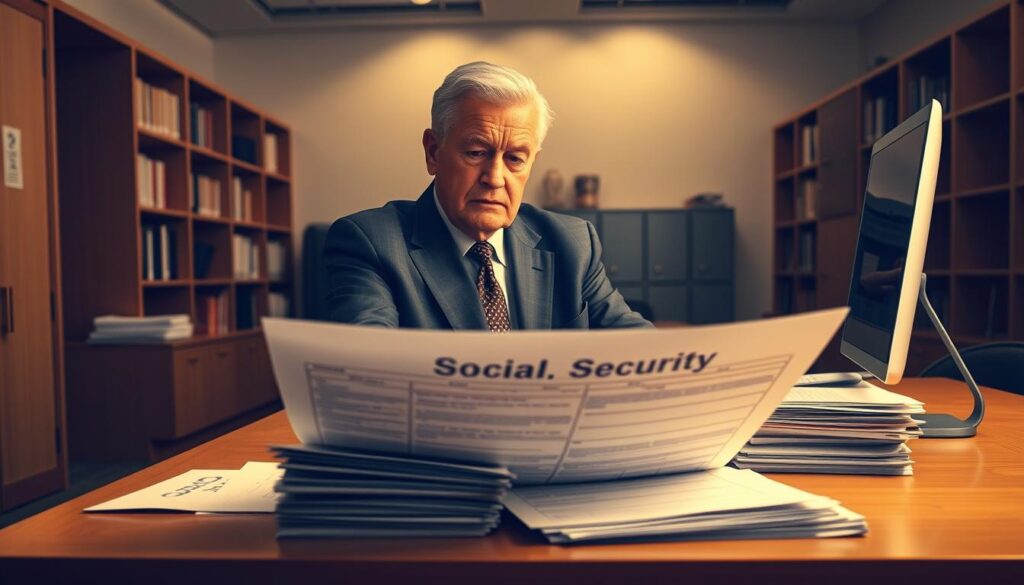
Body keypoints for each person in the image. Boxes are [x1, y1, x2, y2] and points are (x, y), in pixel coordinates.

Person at [324, 61, 651, 331]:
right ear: (434, 152)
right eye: (477, 152)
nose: (495, 178)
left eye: (515, 159)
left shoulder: (573, 243)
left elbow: (634, 343)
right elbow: (366, 365)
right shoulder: (371, 243)